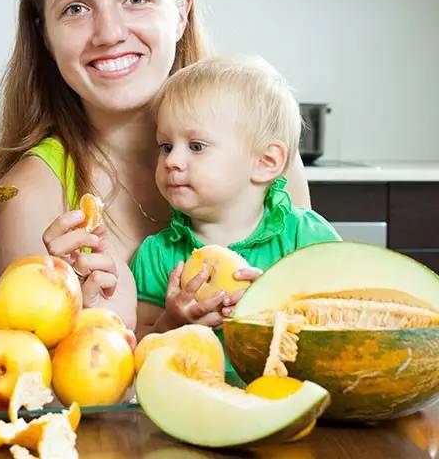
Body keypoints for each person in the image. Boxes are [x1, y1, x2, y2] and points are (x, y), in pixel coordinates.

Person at [0, 0, 311, 330]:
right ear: (45, 36)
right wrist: (71, 315)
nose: (109, 33)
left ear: (181, 14)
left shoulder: (261, 154)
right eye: (75, 9)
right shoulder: (30, 197)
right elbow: (31, 376)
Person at [133, 56, 341, 340]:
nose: (173, 161)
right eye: (166, 146)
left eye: (196, 146)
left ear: (265, 162)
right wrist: (171, 323)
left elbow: (344, 321)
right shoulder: (156, 254)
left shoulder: (305, 237)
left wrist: (275, 306)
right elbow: (141, 342)